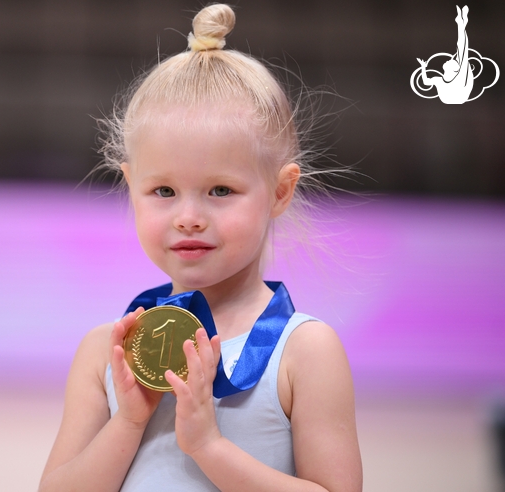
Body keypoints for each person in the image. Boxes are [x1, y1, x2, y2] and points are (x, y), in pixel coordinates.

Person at [39, 4, 362, 491]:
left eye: (220, 191)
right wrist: (128, 422)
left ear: (279, 191)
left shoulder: (305, 351)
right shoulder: (107, 352)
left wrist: (209, 446)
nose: (188, 216)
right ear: (131, 187)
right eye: (163, 192)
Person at [417, 5, 473, 104]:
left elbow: (463, 49)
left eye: (452, 61)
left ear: (454, 69)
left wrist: (423, 67)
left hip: (458, 96)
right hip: (454, 97)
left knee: (462, 50)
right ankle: (461, 23)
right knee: (462, 51)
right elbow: (426, 82)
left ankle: (461, 23)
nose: (449, 59)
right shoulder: (441, 80)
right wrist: (423, 67)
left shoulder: (456, 77)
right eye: (452, 61)